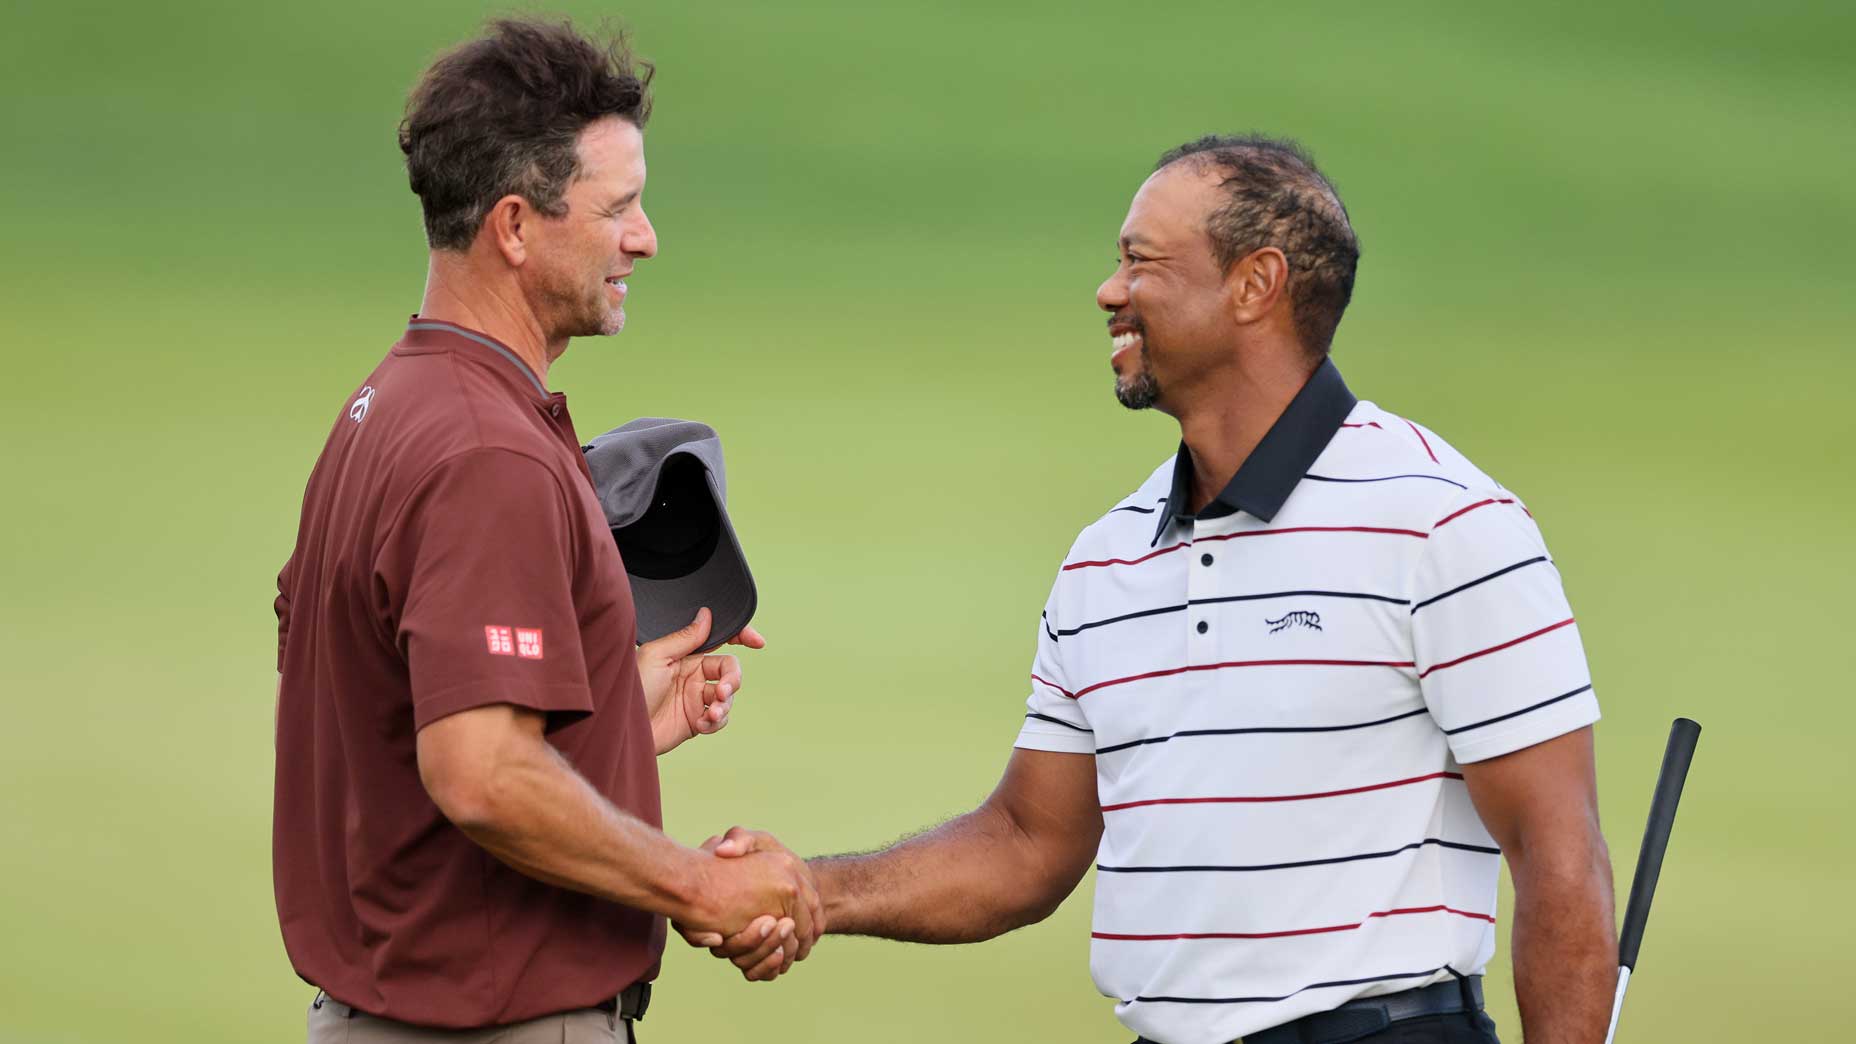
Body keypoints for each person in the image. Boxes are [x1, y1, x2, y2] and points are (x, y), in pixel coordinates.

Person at [692, 136, 1615, 1044]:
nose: (1108, 290)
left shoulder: (1441, 522)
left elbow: (1558, 855)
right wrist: (815, 888)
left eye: (1141, 262)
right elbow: (1025, 843)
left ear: (1256, 285)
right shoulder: (1107, 559)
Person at [272, 19, 815, 1044]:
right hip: (486, 1024)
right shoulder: (490, 455)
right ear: (515, 227)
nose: (646, 237)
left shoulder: (388, 407)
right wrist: (697, 885)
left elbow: (396, 734)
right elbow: (479, 774)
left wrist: (618, 724)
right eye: (619, 209)